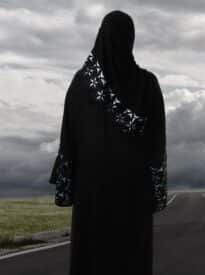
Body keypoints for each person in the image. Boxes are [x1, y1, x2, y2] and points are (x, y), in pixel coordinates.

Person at [48, 10, 167, 275]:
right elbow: (157, 144)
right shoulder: (147, 84)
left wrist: (68, 184)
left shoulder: (81, 84)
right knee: (131, 257)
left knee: (92, 257)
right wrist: (156, 190)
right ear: (130, 39)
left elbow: (69, 137)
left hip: (91, 191)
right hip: (133, 192)